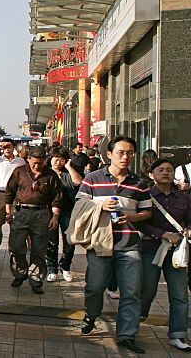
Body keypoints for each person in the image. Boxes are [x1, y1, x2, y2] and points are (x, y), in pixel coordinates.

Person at [77, 135, 153, 354]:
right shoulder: (92, 178)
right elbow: (79, 206)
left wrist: (131, 217)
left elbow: (146, 212)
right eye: (121, 152)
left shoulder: (139, 183)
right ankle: (91, 315)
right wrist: (100, 206)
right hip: (100, 243)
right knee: (95, 287)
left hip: (129, 245)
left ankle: (127, 335)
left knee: (131, 292)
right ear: (109, 154)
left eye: (130, 153)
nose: (126, 157)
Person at [138, 158, 191, 352]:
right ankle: (136, 321)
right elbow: (140, 223)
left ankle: (178, 335)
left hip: (176, 252)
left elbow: (190, 220)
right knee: (147, 290)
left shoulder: (184, 198)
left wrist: (187, 230)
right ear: (152, 174)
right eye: (161, 170)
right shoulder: (146, 196)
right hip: (151, 248)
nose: (166, 173)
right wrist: (161, 234)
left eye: (169, 170)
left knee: (179, 295)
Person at [4, 145, 62, 294]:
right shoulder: (19, 172)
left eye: (40, 163)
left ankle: (36, 280)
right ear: (28, 159)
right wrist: (8, 213)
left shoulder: (50, 175)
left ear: (45, 161)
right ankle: (20, 273)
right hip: (22, 212)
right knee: (16, 246)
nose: (37, 166)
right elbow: (9, 193)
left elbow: (56, 198)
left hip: (42, 214)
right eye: (34, 162)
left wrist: (55, 216)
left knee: (39, 249)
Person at [45, 147, 82, 283]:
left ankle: (65, 266)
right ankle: (52, 269)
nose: (58, 162)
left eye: (61, 160)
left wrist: (69, 167)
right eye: (55, 159)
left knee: (69, 241)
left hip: (67, 210)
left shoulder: (68, 173)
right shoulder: (46, 174)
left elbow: (79, 182)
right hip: (50, 211)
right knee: (52, 241)